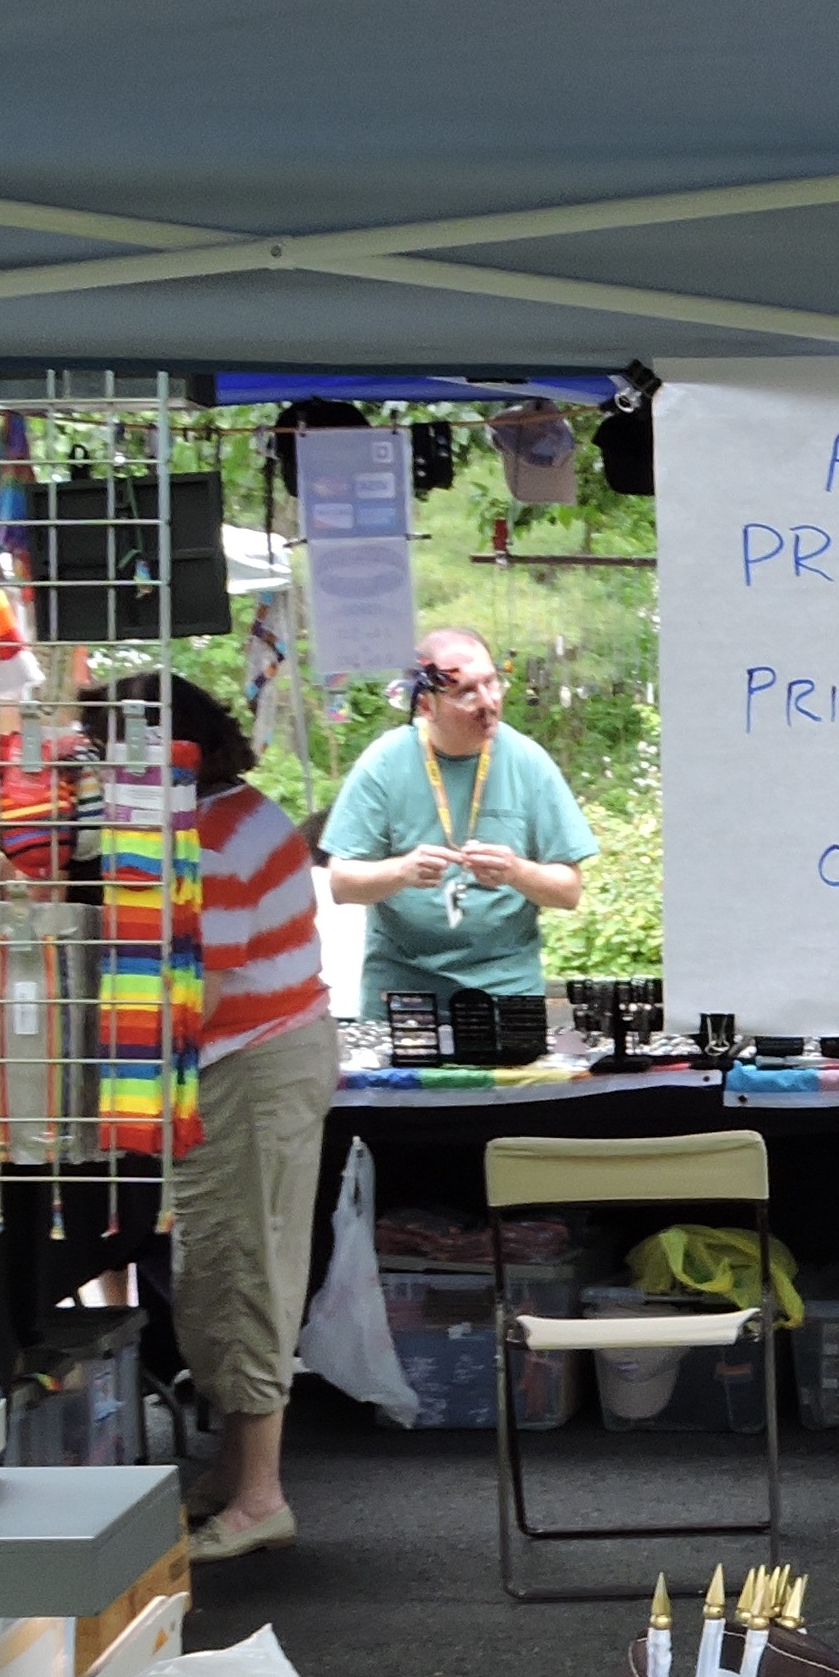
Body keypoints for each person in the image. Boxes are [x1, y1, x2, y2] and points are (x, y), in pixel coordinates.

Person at [162, 680, 338, 1561]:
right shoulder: (237, 813)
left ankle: (260, 1495)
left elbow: (201, 990)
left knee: (243, 1270)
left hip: (251, 1065)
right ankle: (239, 1472)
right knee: (235, 1263)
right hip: (267, 1057)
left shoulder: (213, 838)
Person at [318, 629, 595, 1012]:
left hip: (505, 991)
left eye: (491, 683)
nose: (488, 702)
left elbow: (569, 891)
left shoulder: (528, 762)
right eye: (466, 693)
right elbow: (342, 883)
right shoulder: (384, 763)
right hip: (403, 995)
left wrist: (515, 871)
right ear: (426, 705)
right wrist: (403, 871)